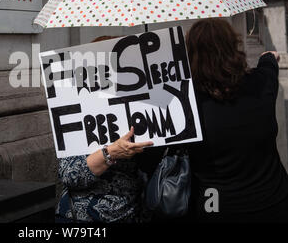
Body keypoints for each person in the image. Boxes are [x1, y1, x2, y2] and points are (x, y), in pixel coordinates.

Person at [186, 18, 288, 222]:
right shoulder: (261, 82)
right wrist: (269, 56)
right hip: (273, 201)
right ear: (233, 47)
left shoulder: (185, 102)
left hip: (215, 206)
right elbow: (269, 59)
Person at [55, 35, 162, 223]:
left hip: (132, 214)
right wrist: (111, 152)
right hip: (83, 220)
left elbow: (151, 167)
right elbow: (69, 175)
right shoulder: (76, 112)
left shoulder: (138, 109)